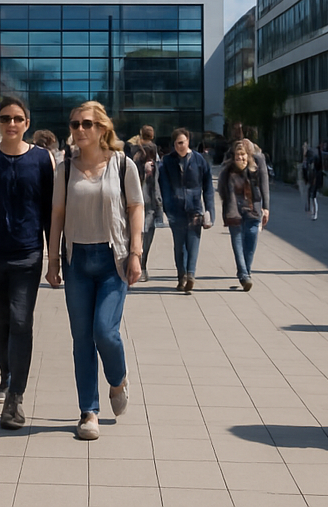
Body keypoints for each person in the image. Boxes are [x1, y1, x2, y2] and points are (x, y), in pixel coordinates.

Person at [47, 101, 144, 441]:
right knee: (81, 340)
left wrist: (135, 252)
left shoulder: (122, 165)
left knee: (106, 332)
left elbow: (135, 207)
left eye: (86, 123)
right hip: (77, 261)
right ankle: (88, 411)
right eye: (74, 124)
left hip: (112, 259)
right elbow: (56, 213)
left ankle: (117, 379)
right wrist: (53, 260)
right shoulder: (65, 167)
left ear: (102, 128)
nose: (79, 130)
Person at [0, 97, 54, 429]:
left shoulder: (42, 160)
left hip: (27, 254)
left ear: (27, 123)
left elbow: (49, 212)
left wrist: (51, 255)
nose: (12, 124)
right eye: (6, 118)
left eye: (18, 118)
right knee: (1, 322)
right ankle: (5, 376)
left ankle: (15, 396)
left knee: (21, 321)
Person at [158, 128, 214, 292]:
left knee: (193, 243)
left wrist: (209, 211)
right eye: (176, 143)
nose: (179, 146)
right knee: (179, 246)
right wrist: (167, 209)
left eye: (182, 142)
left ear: (188, 141)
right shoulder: (167, 161)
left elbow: (208, 187)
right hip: (176, 209)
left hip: (195, 207)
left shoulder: (199, 160)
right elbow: (164, 187)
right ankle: (181, 275)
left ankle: (191, 274)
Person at [217, 138, 270, 291]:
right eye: (238, 155)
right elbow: (222, 189)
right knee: (238, 242)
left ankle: (246, 270)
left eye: (244, 154)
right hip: (234, 210)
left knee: (251, 242)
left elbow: (264, 185)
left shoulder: (255, 167)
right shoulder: (228, 170)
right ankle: (244, 274)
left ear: (249, 155)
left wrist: (266, 207)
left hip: (253, 210)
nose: (241, 158)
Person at [132, 138, 163, 282]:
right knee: (138, 235)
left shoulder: (157, 166)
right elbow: (133, 183)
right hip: (137, 205)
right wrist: (144, 172)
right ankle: (137, 265)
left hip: (151, 206)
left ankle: (143, 266)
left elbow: (159, 185)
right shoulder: (134, 165)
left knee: (148, 237)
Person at [306, 144, 325, 220]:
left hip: (316, 179)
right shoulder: (319, 159)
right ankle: (313, 211)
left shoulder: (315, 165)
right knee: (313, 196)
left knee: (313, 197)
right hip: (317, 179)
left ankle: (314, 212)